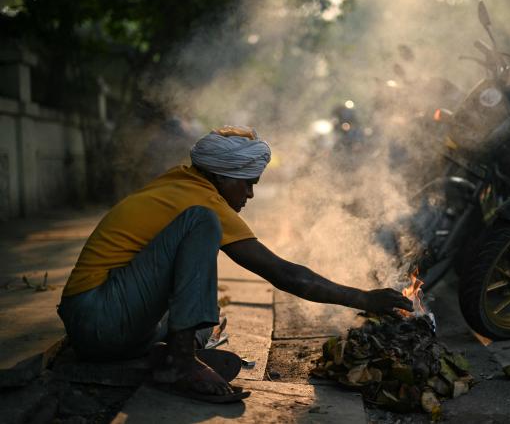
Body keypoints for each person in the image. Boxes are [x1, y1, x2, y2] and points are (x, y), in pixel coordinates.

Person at [58, 125, 412, 402]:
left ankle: (168, 353)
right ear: (223, 176)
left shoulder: (183, 181)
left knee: (200, 323)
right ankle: (182, 365)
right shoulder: (202, 203)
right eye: (247, 185)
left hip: (100, 320)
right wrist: (363, 299)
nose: (250, 195)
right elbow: (285, 274)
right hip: (97, 318)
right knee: (202, 224)